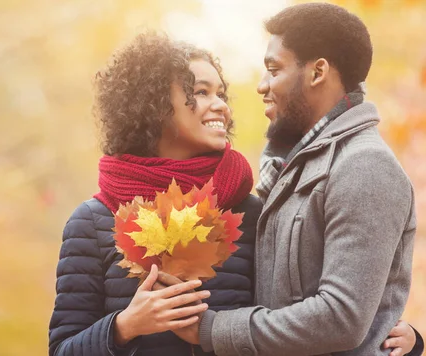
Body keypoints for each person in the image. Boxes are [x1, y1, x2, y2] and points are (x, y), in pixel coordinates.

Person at [48, 31, 420, 356]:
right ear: (152, 105)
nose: (221, 106)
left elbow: (314, 315)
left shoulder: (251, 212)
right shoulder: (93, 222)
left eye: (221, 93)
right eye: (200, 92)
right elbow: (63, 348)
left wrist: (396, 334)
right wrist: (125, 326)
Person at [167, 3, 423, 356]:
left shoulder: (364, 167)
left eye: (274, 70)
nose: (261, 86)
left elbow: (340, 318)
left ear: (318, 72)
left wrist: (212, 329)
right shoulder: (292, 168)